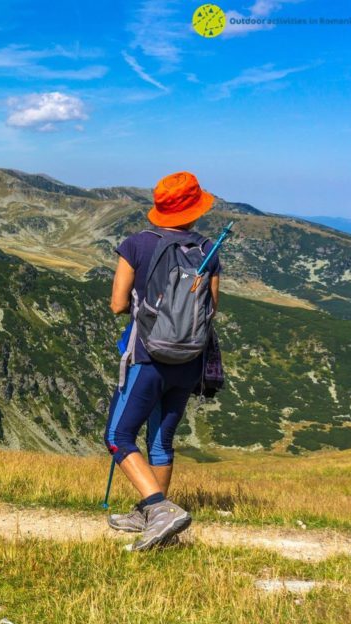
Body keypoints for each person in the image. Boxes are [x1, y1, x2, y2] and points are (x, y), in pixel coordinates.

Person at [104, 171, 221, 551]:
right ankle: (149, 514)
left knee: (118, 436)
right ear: (194, 209)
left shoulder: (137, 244)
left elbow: (118, 304)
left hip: (147, 357)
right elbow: (212, 309)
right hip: (189, 360)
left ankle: (159, 508)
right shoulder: (208, 249)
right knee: (160, 440)